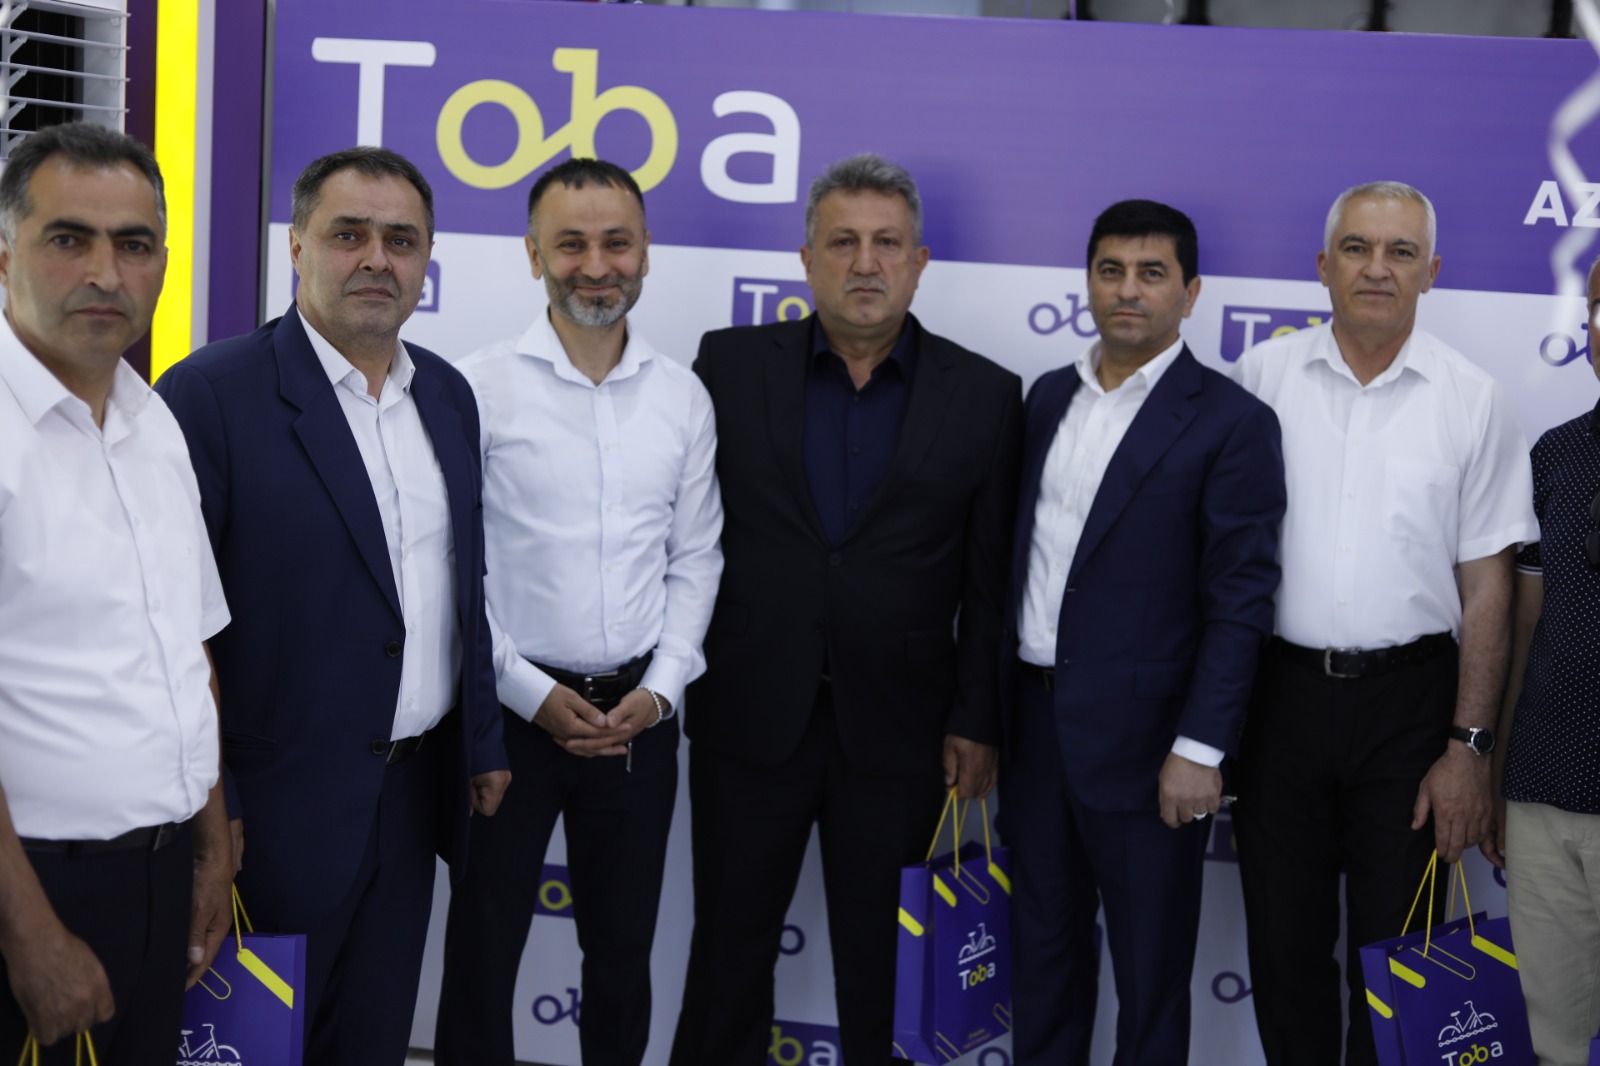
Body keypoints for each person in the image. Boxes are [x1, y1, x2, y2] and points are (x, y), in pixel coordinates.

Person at [154, 146, 510, 1066]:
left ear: (426, 259)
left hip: (412, 799)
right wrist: (215, 809)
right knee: (262, 1048)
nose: (377, 259)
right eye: (349, 234)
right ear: (297, 246)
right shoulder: (209, 395)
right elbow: (170, 626)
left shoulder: (448, 395)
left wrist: (479, 741)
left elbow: (457, 583)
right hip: (269, 813)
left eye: (402, 240)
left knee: (374, 1042)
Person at [668, 153, 1022, 1066]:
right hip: (750, 712)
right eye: (843, 242)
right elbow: (683, 533)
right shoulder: (727, 366)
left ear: (920, 260)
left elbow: (990, 581)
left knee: (888, 970)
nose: (866, 263)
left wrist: (978, 717)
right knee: (728, 953)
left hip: (905, 728)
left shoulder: (986, 395)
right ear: (807, 258)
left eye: (887, 244)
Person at [1232, 181, 1537, 1066]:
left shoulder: (1473, 400)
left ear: (1431, 272)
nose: (1377, 268)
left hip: (1412, 712)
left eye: (1401, 252)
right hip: (1278, 704)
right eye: (1357, 248)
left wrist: (1468, 748)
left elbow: (1488, 591)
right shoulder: (1260, 380)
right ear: (1322, 265)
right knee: (1282, 953)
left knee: (1398, 961)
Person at [434, 157, 722, 1066]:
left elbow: (696, 557)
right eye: (571, 244)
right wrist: (526, 693)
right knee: (482, 953)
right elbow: (455, 568)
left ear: (647, 252)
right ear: (533, 256)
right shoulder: (475, 389)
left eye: (616, 243)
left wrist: (663, 690)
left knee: (623, 959)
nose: (596, 266)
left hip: (639, 721)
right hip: (507, 724)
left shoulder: (683, 396)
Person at [1001, 200, 1285, 1066]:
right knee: (1041, 965)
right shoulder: (1046, 396)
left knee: (1151, 983)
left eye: (1152, 273)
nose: (1128, 290)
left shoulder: (1232, 422)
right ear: (1089, 282)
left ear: (1190, 293)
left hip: (1151, 747)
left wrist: (1199, 748)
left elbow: (1241, 600)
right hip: (1033, 732)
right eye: (1111, 271)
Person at [0, 121, 233, 1063]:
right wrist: (28, 934)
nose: (105, 272)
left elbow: (188, 646)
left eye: (134, 245)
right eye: (69, 239)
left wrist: (211, 849)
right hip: (31, 890)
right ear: (6, 254)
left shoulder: (154, 422)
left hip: (161, 874)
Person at [1486, 254, 1600, 1066]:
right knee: (1552, 1041)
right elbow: (1523, 626)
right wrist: (1495, 772)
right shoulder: (1556, 455)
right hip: (1543, 794)